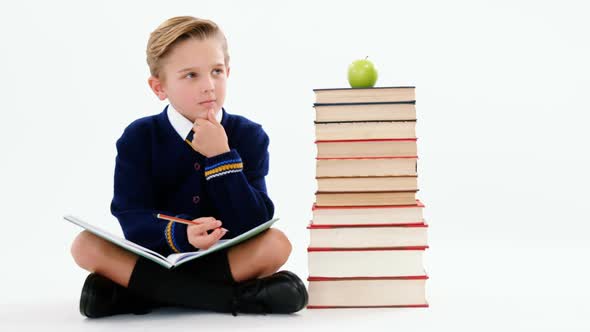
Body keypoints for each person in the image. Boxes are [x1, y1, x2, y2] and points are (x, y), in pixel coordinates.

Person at [70, 15, 308, 318]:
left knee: (277, 245)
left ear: (228, 72)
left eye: (216, 71)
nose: (209, 86)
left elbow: (255, 223)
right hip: (158, 257)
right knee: (85, 246)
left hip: (226, 260)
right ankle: (233, 300)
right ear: (159, 87)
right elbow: (131, 216)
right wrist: (182, 235)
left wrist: (221, 156)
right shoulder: (139, 138)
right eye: (191, 76)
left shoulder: (249, 135)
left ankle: (137, 295)